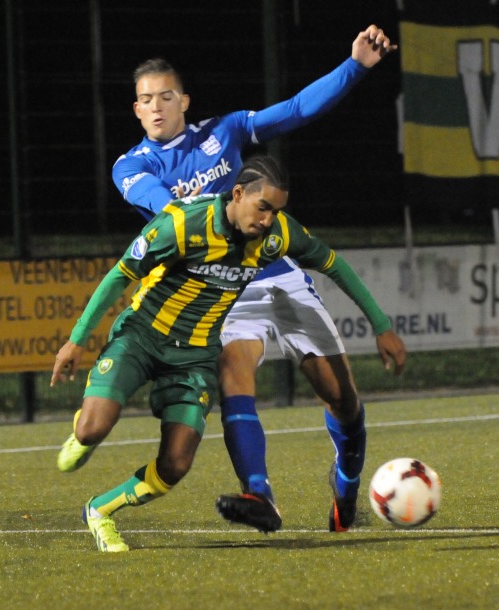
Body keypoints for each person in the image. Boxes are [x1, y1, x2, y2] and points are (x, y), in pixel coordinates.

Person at [57, 24, 405, 534]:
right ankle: (259, 495)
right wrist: (214, 220)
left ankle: (347, 483)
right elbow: (166, 209)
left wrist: (355, 66)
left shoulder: (226, 131)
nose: (156, 107)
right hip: (221, 285)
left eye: (166, 96)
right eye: (145, 100)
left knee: (342, 398)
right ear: (136, 110)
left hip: (277, 272)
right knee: (232, 375)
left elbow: (296, 110)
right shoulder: (131, 165)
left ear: (184, 101)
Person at [51, 156, 399, 552]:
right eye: (263, 207)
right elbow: (121, 274)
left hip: (195, 358)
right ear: (237, 194)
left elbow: (334, 265)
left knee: (175, 465)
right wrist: (77, 340)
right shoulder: (182, 224)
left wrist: (381, 325)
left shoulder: (277, 235)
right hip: (143, 337)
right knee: (92, 429)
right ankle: (84, 428)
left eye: (277, 210)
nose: (269, 219)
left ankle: (98, 511)